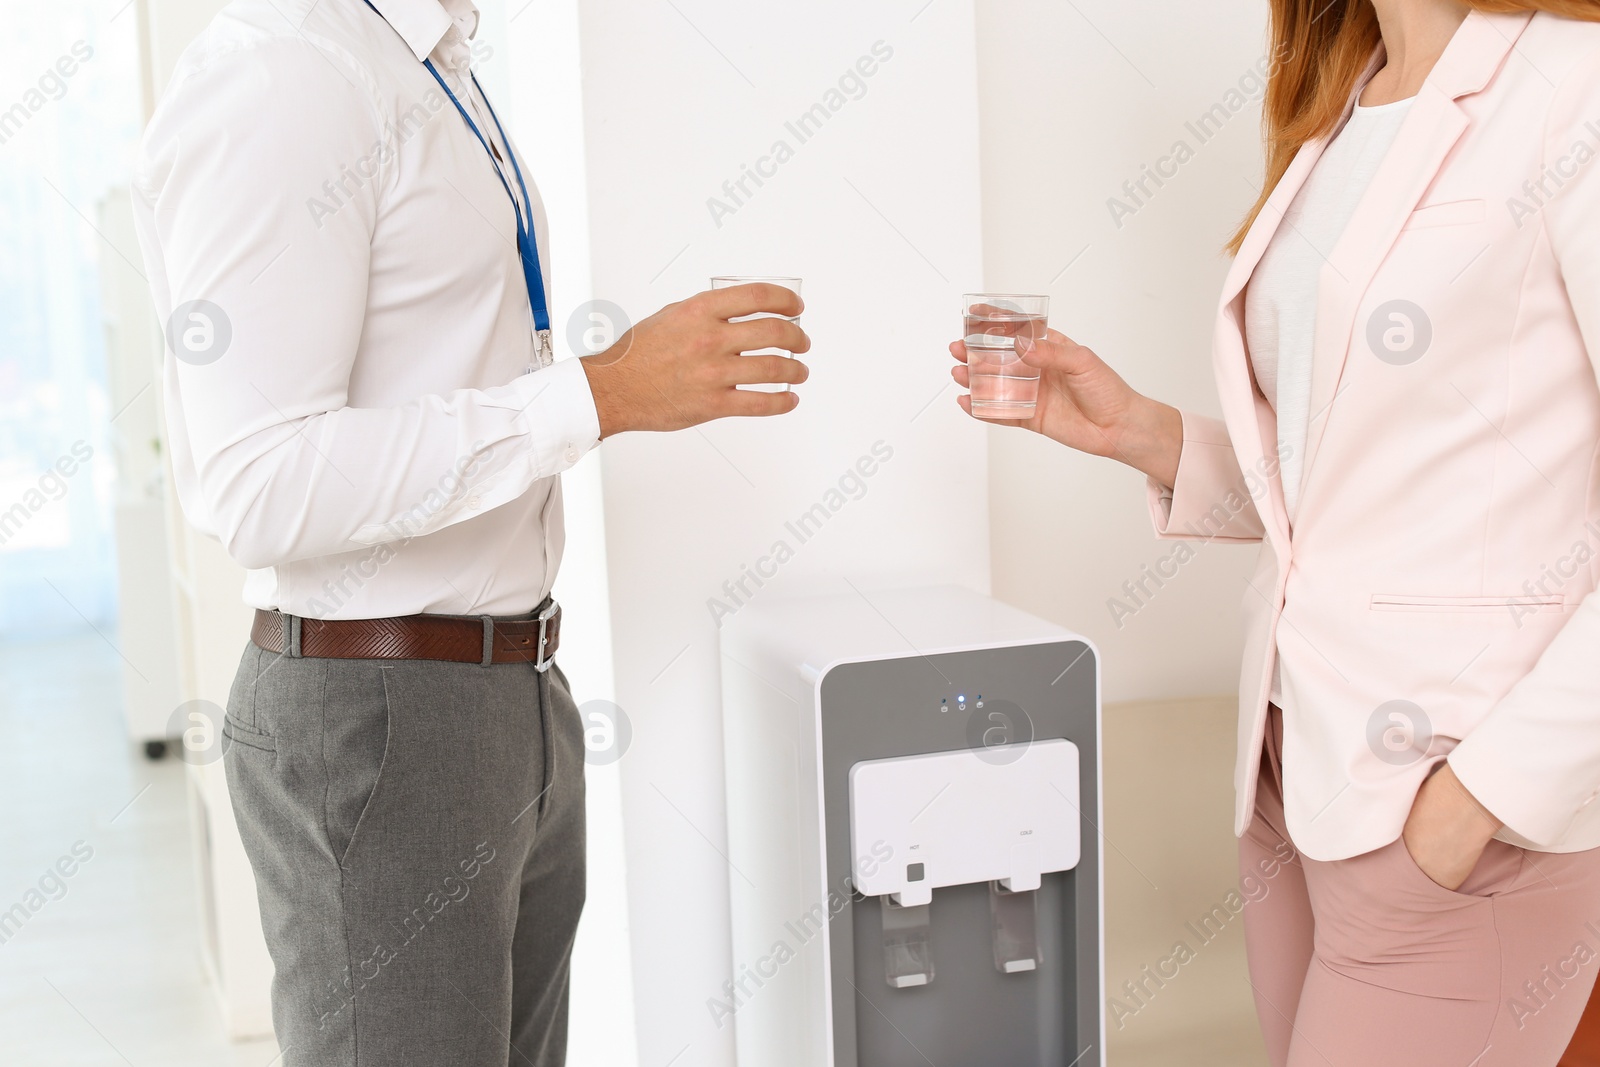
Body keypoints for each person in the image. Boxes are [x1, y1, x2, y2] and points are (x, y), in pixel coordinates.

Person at [130, 0, 809, 1063]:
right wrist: (597, 394)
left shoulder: (422, 57)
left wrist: (597, 390)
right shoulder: (285, 73)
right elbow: (257, 481)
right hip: (382, 718)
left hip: (509, 694)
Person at [952, 1, 1600, 1063]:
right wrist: (1143, 434)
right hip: (1292, 791)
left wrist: (1482, 795)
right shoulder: (1345, 98)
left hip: (1449, 827)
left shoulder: (1573, 87)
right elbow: (1348, 494)